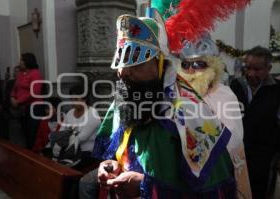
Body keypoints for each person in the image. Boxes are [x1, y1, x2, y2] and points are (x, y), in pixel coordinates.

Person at [92, 13, 237, 199]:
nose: (124, 72)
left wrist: (146, 186)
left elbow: (213, 191)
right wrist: (109, 165)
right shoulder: (125, 99)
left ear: (160, 65)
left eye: (137, 62)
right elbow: (115, 150)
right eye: (122, 60)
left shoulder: (189, 111)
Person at [177, 35, 251, 198]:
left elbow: (233, 139)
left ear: (213, 66)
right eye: (185, 64)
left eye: (198, 64)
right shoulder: (178, 94)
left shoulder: (224, 94)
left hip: (219, 173)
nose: (191, 70)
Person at [230, 46, 280, 199]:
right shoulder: (235, 85)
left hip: (264, 156)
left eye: (257, 69)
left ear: (269, 68)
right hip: (236, 153)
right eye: (248, 68)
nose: (251, 73)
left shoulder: (277, 90)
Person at [52, 85, 101, 169]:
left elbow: (82, 138)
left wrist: (65, 137)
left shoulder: (92, 114)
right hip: (69, 149)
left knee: (65, 166)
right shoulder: (70, 113)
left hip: (87, 152)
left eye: (76, 99)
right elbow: (61, 132)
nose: (73, 102)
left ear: (84, 99)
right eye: (72, 99)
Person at [11, 53, 43, 149]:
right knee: (24, 132)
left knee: (32, 133)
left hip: (34, 107)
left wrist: (18, 101)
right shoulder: (21, 74)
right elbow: (14, 88)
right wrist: (12, 97)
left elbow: (35, 92)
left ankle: (32, 155)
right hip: (23, 108)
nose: (19, 62)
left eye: (21, 60)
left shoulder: (36, 74)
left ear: (27, 61)